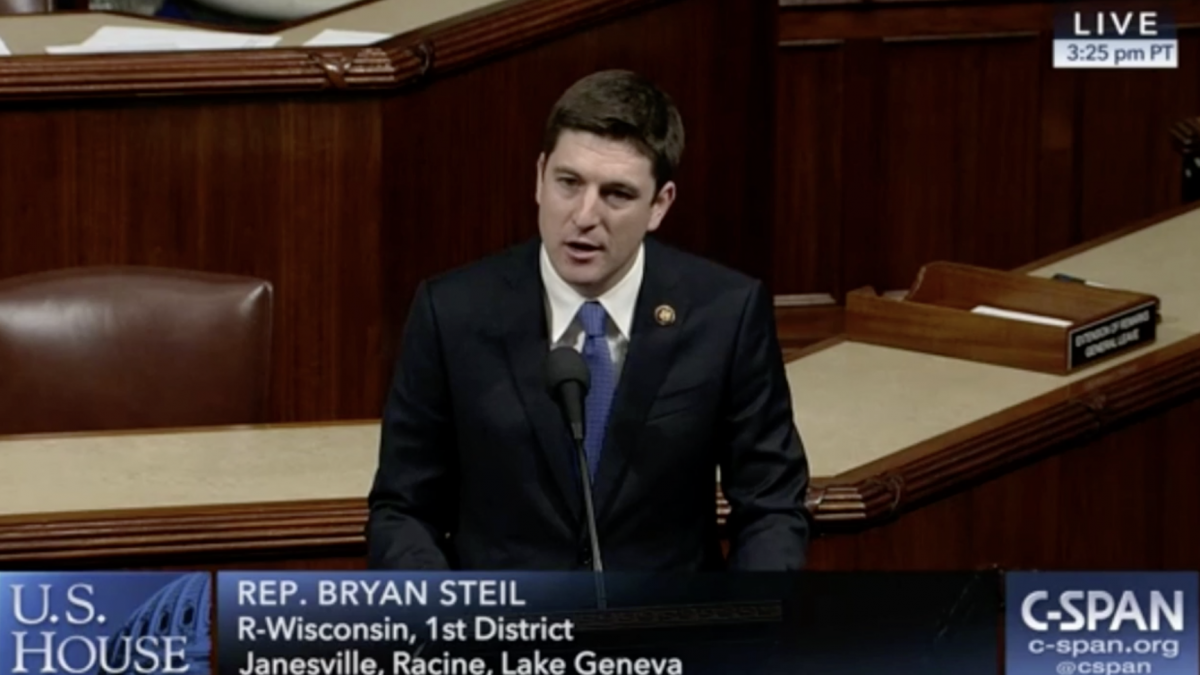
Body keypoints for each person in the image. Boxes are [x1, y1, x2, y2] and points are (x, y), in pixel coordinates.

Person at [366, 69, 810, 571]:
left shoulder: (725, 314)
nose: (584, 215)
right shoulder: (452, 312)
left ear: (659, 205)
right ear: (540, 177)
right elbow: (403, 509)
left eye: (616, 194)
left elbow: (772, 506)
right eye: (569, 183)